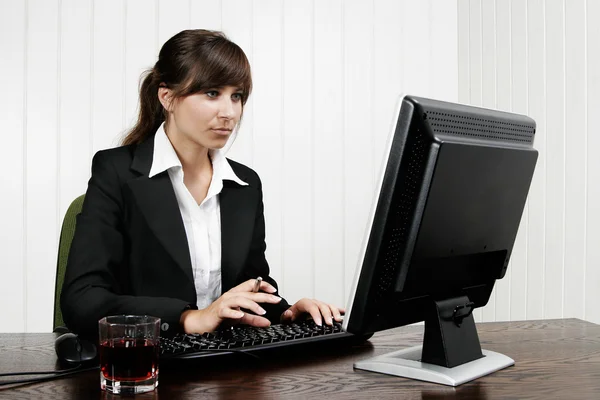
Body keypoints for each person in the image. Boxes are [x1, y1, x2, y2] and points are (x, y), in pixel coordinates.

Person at [60, 29, 343, 339]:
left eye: (236, 96)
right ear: (167, 97)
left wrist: (287, 313)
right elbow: (82, 300)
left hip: (227, 369)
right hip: (146, 365)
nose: (229, 112)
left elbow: (249, 287)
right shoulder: (116, 172)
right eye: (212, 93)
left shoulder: (244, 184)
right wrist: (188, 318)